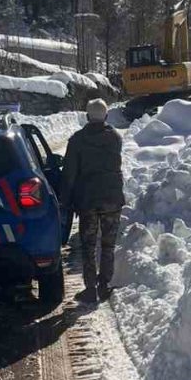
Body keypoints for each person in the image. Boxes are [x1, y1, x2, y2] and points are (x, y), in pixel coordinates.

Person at [59, 98, 124, 304]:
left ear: (87, 116)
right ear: (106, 115)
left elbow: (69, 174)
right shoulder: (115, 137)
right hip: (112, 198)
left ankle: (90, 289)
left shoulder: (77, 140)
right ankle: (104, 284)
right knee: (108, 244)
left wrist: (64, 200)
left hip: (88, 200)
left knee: (88, 245)